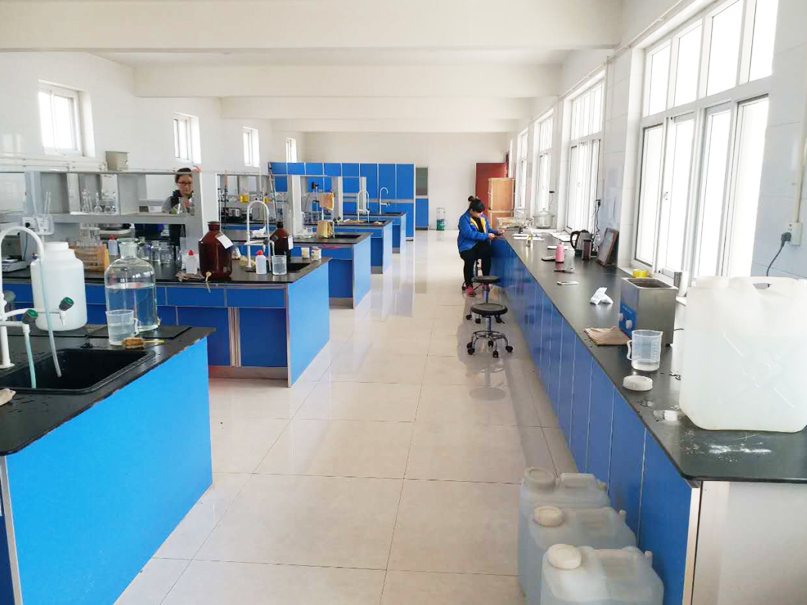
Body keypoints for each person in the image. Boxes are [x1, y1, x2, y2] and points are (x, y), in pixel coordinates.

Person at [457, 196, 500, 296]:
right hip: (467, 245)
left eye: (482, 212)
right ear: (472, 210)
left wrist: (496, 232)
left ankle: (485, 282)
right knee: (469, 259)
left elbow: (487, 229)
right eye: (479, 212)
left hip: (481, 244)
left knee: (488, 253)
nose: (481, 214)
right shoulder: (464, 219)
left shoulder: (482, 216)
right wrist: (486, 236)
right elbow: (469, 234)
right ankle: (469, 285)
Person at [160, 168, 195, 246]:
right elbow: (164, 221)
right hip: (175, 242)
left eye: (189, 183)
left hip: (196, 240)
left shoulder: (199, 200)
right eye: (182, 183)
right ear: (177, 183)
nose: (186, 186)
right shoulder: (170, 201)